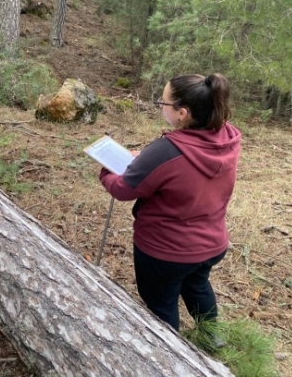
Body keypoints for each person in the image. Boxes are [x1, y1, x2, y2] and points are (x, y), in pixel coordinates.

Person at [98, 73, 241, 338]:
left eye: (163, 103)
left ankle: (169, 355)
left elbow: (123, 189)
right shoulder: (227, 137)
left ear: (183, 113)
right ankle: (212, 337)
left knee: (161, 304)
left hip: (166, 252)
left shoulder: (167, 150)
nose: (160, 106)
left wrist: (107, 170)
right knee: (198, 285)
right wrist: (146, 161)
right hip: (211, 244)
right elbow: (181, 172)